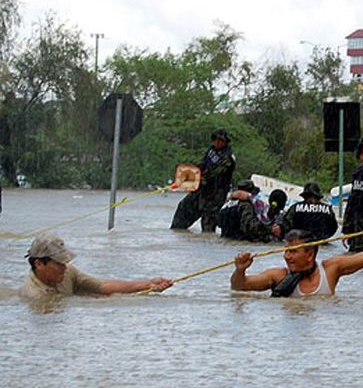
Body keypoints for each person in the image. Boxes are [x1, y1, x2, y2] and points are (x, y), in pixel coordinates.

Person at [230, 221, 363, 297]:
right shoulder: (277, 276)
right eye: (286, 251)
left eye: (292, 251)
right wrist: (240, 269)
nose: (286, 256)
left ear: (309, 254)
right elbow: (239, 287)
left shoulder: (331, 269)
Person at [20, 234, 173, 300]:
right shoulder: (35, 295)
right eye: (59, 263)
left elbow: (102, 286)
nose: (65, 267)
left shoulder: (68, 272)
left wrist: (149, 284)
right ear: (39, 264)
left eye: (65, 262)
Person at [170, 128, 236, 232]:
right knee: (184, 207)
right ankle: (176, 231)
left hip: (215, 194)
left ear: (225, 142)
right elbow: (202, 164)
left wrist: (196, 179)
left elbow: (214, 173)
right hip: (202, 190)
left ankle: (207, 243)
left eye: (220, 140)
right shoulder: (211, 150)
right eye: (215, 139)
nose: (217, 142)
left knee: (208, 220)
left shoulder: (228, 158)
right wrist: (188, 173)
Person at [219, 180, 287, 242]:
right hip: (240, 241)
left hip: (225, 240)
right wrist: (270, 230)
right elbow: (250, 227)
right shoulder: (246, 205)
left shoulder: (226, 205)